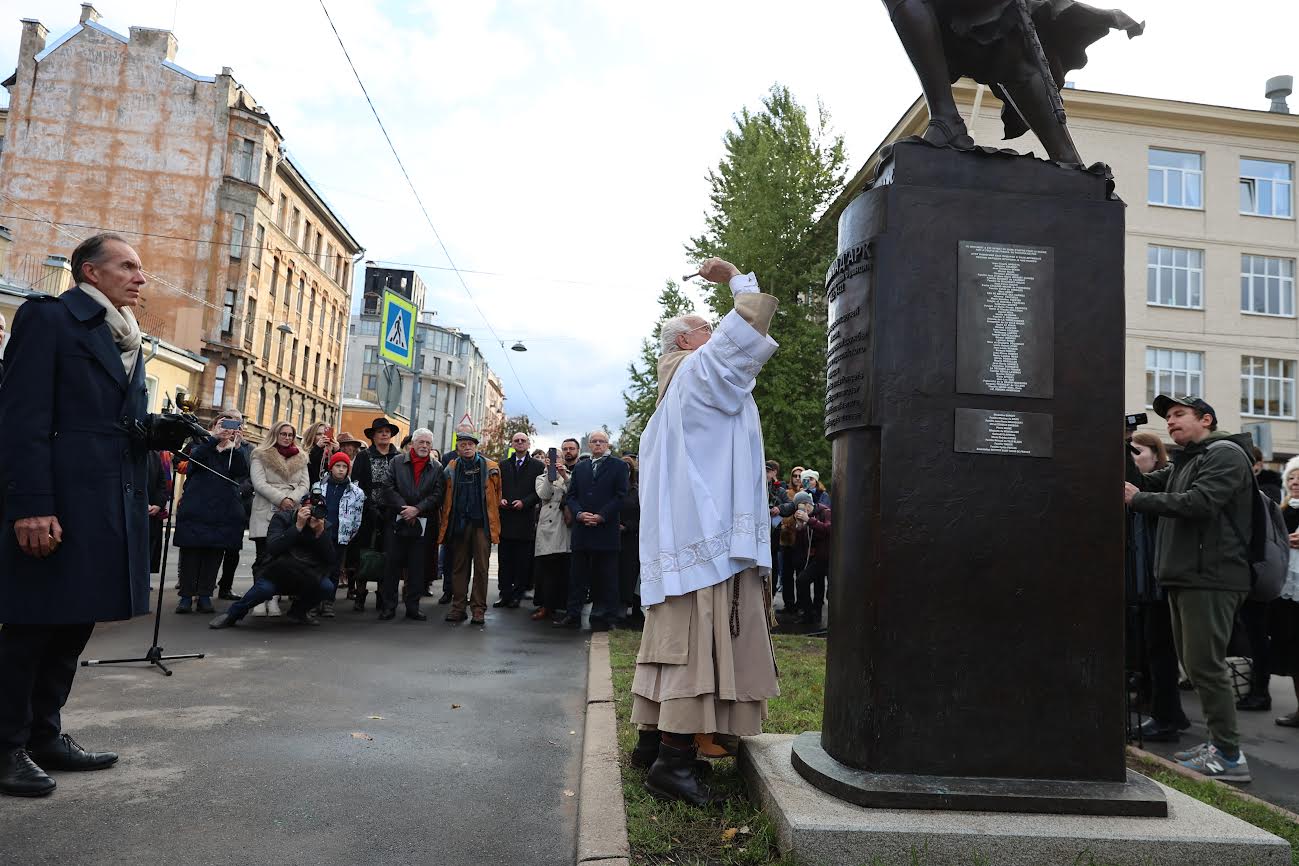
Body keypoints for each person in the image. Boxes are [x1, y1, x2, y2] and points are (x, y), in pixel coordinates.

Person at [0, 233, 201, 797]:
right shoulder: (50, 321)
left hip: (107, 502)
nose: (140, 278)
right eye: (128, 267)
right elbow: (21, 419)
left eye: (141, 269)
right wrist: (32, 506)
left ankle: (44, 736)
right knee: (32, 627)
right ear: (90, 272)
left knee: (73, 622)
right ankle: (4, 746)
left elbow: (107, 417)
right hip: (58, 503)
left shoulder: (127, 336)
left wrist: (152, 434)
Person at [630, 257, 780, 805]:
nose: (717, 332)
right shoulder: (699, 374)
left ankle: (651, 742)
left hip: (684, 544)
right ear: (688, 342)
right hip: (709, 544)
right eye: (707, 328)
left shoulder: (671, 397)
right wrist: (739, 278)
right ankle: (674, 762)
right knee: (695, 644)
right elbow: (748, 328)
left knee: (671, 641)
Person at [1125, 394, 1255, 781]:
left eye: (1180, 414)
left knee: (1206, 666)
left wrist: (1140, 499)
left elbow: (1200, 503)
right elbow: (1139, 484)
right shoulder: (1189, 460)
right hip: (1186, 575)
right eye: (1167, 417)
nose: (1171, 422)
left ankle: (1230, 757)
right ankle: (1219, 744)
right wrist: (1121, 442)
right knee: (1198, 667)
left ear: (1207, 419)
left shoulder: (1225, 455)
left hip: (1212, 576)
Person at [1126, 432, 1190, 742]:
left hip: (1162, 579)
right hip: (1140, 581)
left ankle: (1168, 718)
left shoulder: (1170, 480)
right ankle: (1161, 710)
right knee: (1148, 647)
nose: (1133, 457)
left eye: (1137, 451)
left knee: (1162, 649)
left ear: (1156, 455)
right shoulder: (1145, 484)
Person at [208, 494, 338, 629]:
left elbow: (331, 559)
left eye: (315, 509)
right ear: (299, 507)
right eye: (307, 509)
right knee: (264, 589)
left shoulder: (323, 526)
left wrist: (320, 534)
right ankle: (232, 614)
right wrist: (298, 526)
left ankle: (298, 612)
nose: (311, 513)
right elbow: (274, 548)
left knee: (326, 587)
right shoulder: (282, 518)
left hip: (307, 573)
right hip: (277, 571)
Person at [172, 416, 251, 614]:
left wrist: (237, 447)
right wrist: (214, 439)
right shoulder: (201, 445)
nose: (225, 430)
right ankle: (186, 596)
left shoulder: (234, 451)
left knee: (213, 554)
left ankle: (205, 594)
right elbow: (193, 463)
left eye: (229, 427)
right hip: (197, 507)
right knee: (191, 553)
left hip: (222, 510)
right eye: (221, 425)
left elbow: (241, 472)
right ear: (213, 427)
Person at [559, 430, 629, 631]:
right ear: (589, 445)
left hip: (605, 530)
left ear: (608, 444)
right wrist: (580, 514)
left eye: (602, 441)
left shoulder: (618, 466)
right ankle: (573, 615)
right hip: (582, 530)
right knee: (577, 576)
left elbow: (620, 495)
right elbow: (571, 496)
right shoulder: (581, 468)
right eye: (594, 441)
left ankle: (606, 618)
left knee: (606, 577)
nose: (598, 444)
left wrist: (601, 516)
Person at [376, 428, 443, 621]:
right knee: (392, 566)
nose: (424, 446)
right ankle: (389, 607)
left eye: (428, 443)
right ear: (412, 443)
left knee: (417, 568)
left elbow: (438, 495)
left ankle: (413, 607)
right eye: (421, 442)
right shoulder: (396, 462)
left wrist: (418, 509)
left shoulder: (437, 467)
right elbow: (387, 487)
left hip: (422, 524)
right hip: (397, 520)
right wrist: (405, 509)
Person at [437, 429, 500, 625]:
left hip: (482, 525)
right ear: (457, 448)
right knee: (459, 567)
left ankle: (478, 609)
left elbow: (496, 498)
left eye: (470, 444)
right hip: (458, 524)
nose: (466, 448)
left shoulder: (491, 468)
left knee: (481, 568)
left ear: (476, 447)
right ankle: (458, 608)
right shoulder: (451, 468)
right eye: (462, 445)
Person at [249, 422, 309, 615]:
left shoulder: (301, 457)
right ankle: (258, 598)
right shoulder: (260, 454)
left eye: (290, 434)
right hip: (266, 509)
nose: (287, 437)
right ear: (275, 434)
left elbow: (304, 484)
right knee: (263, 557)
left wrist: (291, 499)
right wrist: (280, 498)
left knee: (282, 559)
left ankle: (274, 597)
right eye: (283, 434)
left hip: (290, 511)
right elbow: (258, 482)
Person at [350, 417, 402, 611]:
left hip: (390, 511)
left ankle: (382, 594)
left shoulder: (397, 457)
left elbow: (400, 483)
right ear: (373, 436)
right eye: (380, 431)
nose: (384, 434)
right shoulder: (364, 456)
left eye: (387, 431)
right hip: (366, 511)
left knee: (386, 553)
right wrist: (369, 505)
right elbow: (356, 483)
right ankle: (360, 593)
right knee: (363, 553)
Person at [311, 451, 365, 617]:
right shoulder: (319, 486)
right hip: (319, 533)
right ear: (331, 467)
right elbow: (310, 506)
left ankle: (328, 602)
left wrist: (348, 534)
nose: (341, 470)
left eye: (344, 467)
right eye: (337, 466)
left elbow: (357, 517)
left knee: (334, 570)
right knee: (317, 568)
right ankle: (313, 601)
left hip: (339, 536)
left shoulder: (356, 492)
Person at [496, 432, 544, 608]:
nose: (520, 443)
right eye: (516, 440)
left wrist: (524, 502)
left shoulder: (537, 466)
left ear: (528, 444)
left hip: (525, 520)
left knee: (522, 561)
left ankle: (518, 594)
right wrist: (499, 498)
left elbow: (539, 491)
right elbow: (497, 487)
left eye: (523, 440)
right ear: (512, 444)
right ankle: (505, 594)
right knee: (505, 560)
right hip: (506, 519)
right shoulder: (503, 465)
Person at [1273, 458, 1299, 729]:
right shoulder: (1281, 511)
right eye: (1291, 477)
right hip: (1288, 592)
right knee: (1294, 653)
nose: (1296, 482)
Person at [534, 445, 574, 623]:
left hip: (564, 526)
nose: (555, 460)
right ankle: (546, 606)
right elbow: (544, 495)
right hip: (547, 527)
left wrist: (563, 475)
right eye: (551, 458)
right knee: (547, 569)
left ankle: (563, 606)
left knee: (563, 568)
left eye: (558, 457)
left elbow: (574, 491)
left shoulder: (570, 476)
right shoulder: (541, 477)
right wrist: (551, 476)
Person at [618, 455, 643, 628]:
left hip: (631, 539)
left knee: (629, 575)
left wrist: (627, 527)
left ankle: (628, 611)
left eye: (628, 468)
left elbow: (643, 516)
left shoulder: (638, 491)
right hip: (611, 538)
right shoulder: (612, 489)